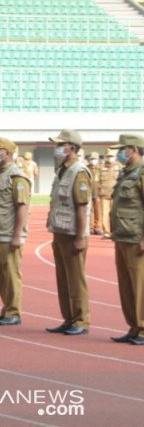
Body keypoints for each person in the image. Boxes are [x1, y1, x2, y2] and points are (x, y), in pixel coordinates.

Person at [45, 129, 91, 336]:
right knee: (63, 279)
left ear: (71, 148)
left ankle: (81, 320)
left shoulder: (79, 172)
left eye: (60, 145)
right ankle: (68, 318)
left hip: (74, 233)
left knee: (75, 279)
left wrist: (80, 237)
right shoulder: (62, 170)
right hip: (60, 231)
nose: (57, 149)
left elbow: (81, 207)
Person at [0, 137, 31, 326]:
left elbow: (22, 207)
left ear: (8, 154)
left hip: (8, 233)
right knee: (1, 275)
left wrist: (18, 235)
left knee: (11, 274)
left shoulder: (17, 177)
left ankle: (13, 311)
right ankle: (6, 308)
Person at [108, 134, 144, 345]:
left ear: (134, 149)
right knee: (126, 285)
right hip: (122, 235)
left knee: (140, 285)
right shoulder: (125, 174)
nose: (120, 153)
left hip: (135, 237)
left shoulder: (141, 173)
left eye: (124, 149)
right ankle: (134, 325)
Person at [98, 148, 121, 239]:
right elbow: (97, 180)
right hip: (104, 194)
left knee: (115, 214)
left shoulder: (119, 166)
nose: (110, 158)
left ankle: (115, 231)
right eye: (108, 156)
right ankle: (106, 233)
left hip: (115, 194)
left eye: (111, 156)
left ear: (115, 157)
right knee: (104, 214)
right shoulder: (102, 167)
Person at [88, 152, 103, 235]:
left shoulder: (101, 169)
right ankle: (91, 227)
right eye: (91, 159)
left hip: (98, 192)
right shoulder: (87, 168)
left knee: (98, 211)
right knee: (90, 211)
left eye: (94, 159)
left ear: (98, 160)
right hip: (89, 192)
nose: (93, 160)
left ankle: (98, 227)